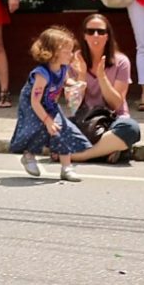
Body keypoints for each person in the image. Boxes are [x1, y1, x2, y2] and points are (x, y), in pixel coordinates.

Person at [9, 27, 93, 180]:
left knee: (63, 130)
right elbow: (35, 101)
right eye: (67, 51)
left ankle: (66, 168)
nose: (71, 54)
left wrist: (74, 84)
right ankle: (28, 155)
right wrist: (47, 121)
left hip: (50, 104)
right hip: (32, 106)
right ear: (52, 52)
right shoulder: (42, 74)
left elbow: (65, 80)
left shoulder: (62, 68)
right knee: (36, 129)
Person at [64, 14, 142, 164]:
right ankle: (108, 149)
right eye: (90, 31)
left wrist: (101, 76)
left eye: (100, 32)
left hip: (113, 119)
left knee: (131, 129)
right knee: (54, 129)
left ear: (107, 36)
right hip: (85, 119)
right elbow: (73, 106)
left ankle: (82, 155)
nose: (95, 35)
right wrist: (81, 74)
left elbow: (116, 104)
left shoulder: (121, 62)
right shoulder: (74, 61)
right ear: (84, 36)